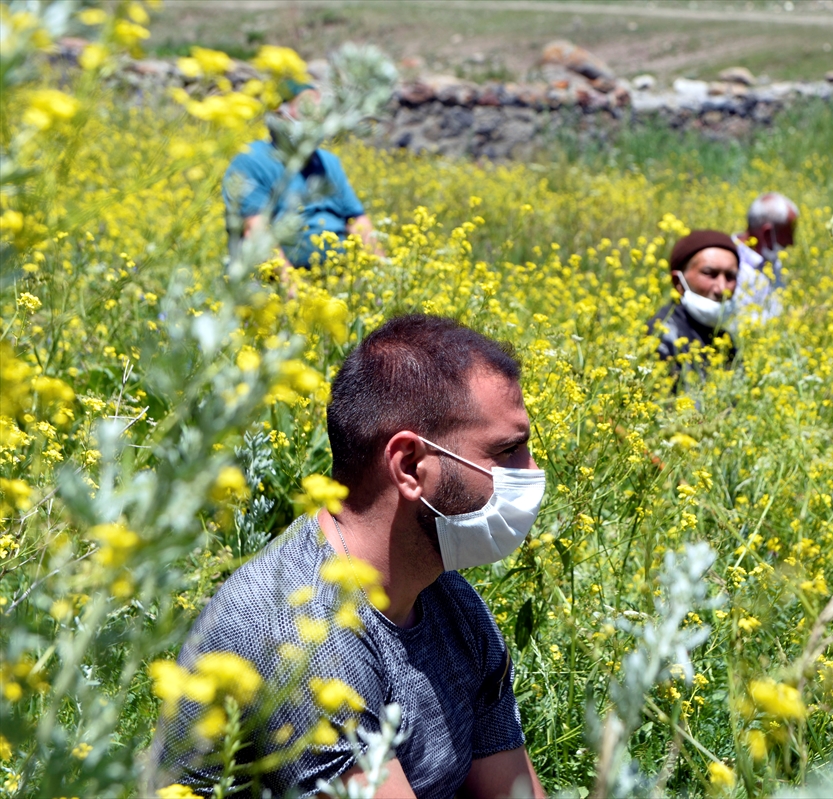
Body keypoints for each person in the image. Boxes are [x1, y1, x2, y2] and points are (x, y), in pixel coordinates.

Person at [155, 315, 546, 799]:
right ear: (409, 466)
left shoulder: (451, 602)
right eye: (508, 451)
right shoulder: (304, 635)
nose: (532, 472)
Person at [223, 80, 381, 272]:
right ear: (279, 114)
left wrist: (384, 273)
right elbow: (256, 231)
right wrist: (293, 284)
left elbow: (357, 221)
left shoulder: (328, 162)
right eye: (306, 108)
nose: (316, 116)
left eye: (319, 110)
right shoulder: (252, 159)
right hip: (279, 273)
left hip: (337, 271)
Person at [648, 230, 740, 374]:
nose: (722, 289)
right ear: (678, 282)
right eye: (709, 274)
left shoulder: (725, 342)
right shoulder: (660, 336)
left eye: (730, 276)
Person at [732, 192, 798, 322]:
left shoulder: (772, 261)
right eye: (787, 235)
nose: (791, 243)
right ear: (767, 234)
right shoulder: (729, 265)